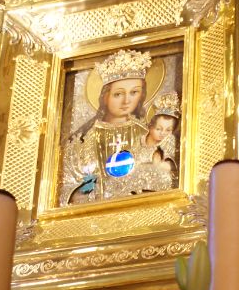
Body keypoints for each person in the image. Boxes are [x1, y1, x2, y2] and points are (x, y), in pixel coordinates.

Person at [60, 49, 176, 204]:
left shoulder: (148, 134)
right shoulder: (83, 141)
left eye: (134, 92)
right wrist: (83, 191)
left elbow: (166, 178)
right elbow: (66, 188)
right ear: (105, 96)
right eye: (118, 94)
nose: (126, 101)